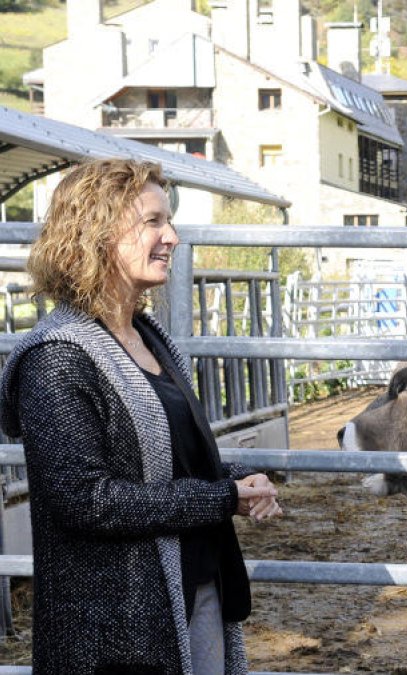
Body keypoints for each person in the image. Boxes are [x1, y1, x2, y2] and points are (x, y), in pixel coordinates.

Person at [0, 159, 283, 674]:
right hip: (113, 626)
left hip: (193, 589)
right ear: (95, 234)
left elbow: (163, 467)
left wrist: (236, 483)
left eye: (168, 221)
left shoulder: (152, 339)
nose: (171, 236)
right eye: (152, 221)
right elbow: (84, 500)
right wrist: (220, 498)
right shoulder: (57, 358)